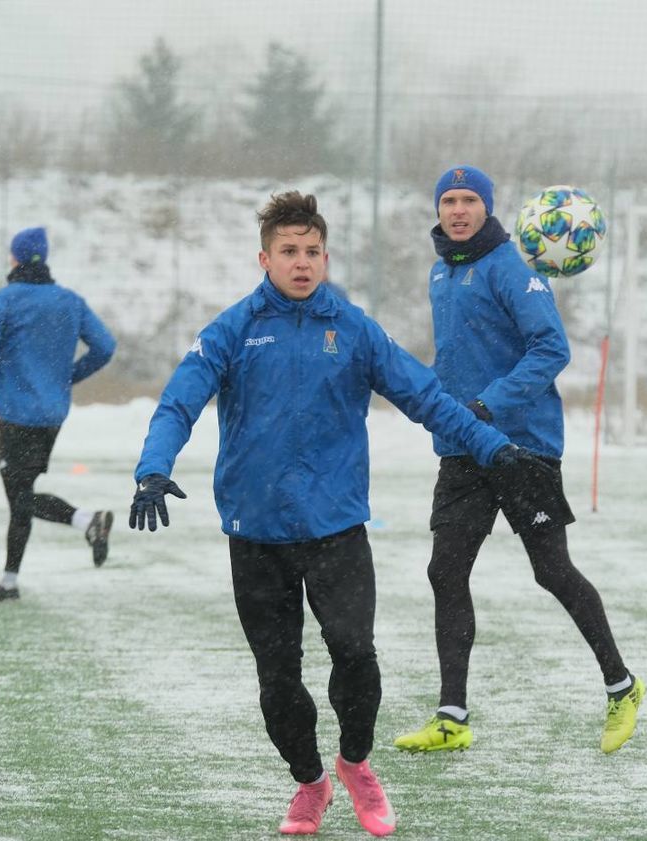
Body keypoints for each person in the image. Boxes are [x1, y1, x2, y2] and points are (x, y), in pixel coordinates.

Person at [129, 191, 526, 837]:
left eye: (312, 250)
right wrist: (154, 467)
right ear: (265, 257)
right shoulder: (232, 329)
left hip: (337, 526)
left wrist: (491, 445)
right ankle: (311, 781)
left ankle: (356, 762)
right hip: (255, 533)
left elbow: (426, 394)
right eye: (289, 251)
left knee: (356, 655)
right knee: (278, 680)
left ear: (326, 255)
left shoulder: (356, 329)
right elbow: (179, 402)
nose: (302, 262)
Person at [392, 165, 644, 757]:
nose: (458, 210)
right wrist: (436, 402)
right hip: (462, 447)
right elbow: (455, 358)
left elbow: (552, 348)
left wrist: (489, 404)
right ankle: (452, 716)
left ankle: (622, 685)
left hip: (521, 445)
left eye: (469, 201)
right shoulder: (440, 271)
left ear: (488, 207)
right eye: (449, 200)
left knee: (551, 571)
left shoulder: (512, 268)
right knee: (445, 572)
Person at [0, 227, 117, 603]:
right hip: (52, 415)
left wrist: (12, 358)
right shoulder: (69, 300)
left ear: (15, 258)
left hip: (17, 414)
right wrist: (67, 377)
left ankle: (86, 521)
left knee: (19, 500)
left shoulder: (4, 300)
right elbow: (104, 346)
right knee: (23, 496)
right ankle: (9, 580)